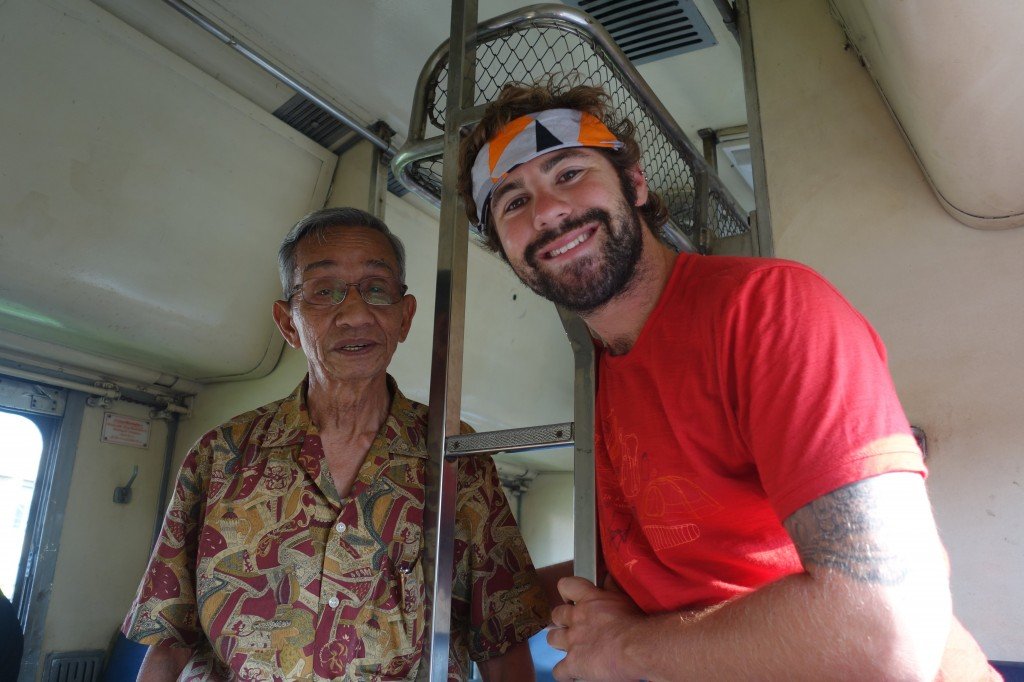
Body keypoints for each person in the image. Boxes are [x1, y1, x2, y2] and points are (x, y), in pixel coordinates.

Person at [456, 82, 999, 681]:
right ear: (505, 249)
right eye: (512, 202)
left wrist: (627, 647)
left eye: (569, 173)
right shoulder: (603, 369)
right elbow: (672, 558)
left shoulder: (769, 310)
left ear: (634, 182)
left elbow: (884, 631)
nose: (548, 212)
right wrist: (483, 602)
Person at [122, 207, 549, 681]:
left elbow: (502, 643)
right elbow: (169, 642)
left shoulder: (455, 458)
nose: (355, 314)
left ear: (404, 318)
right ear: (288, 324)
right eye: (324, 292)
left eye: (376, 289)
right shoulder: (220, 455)